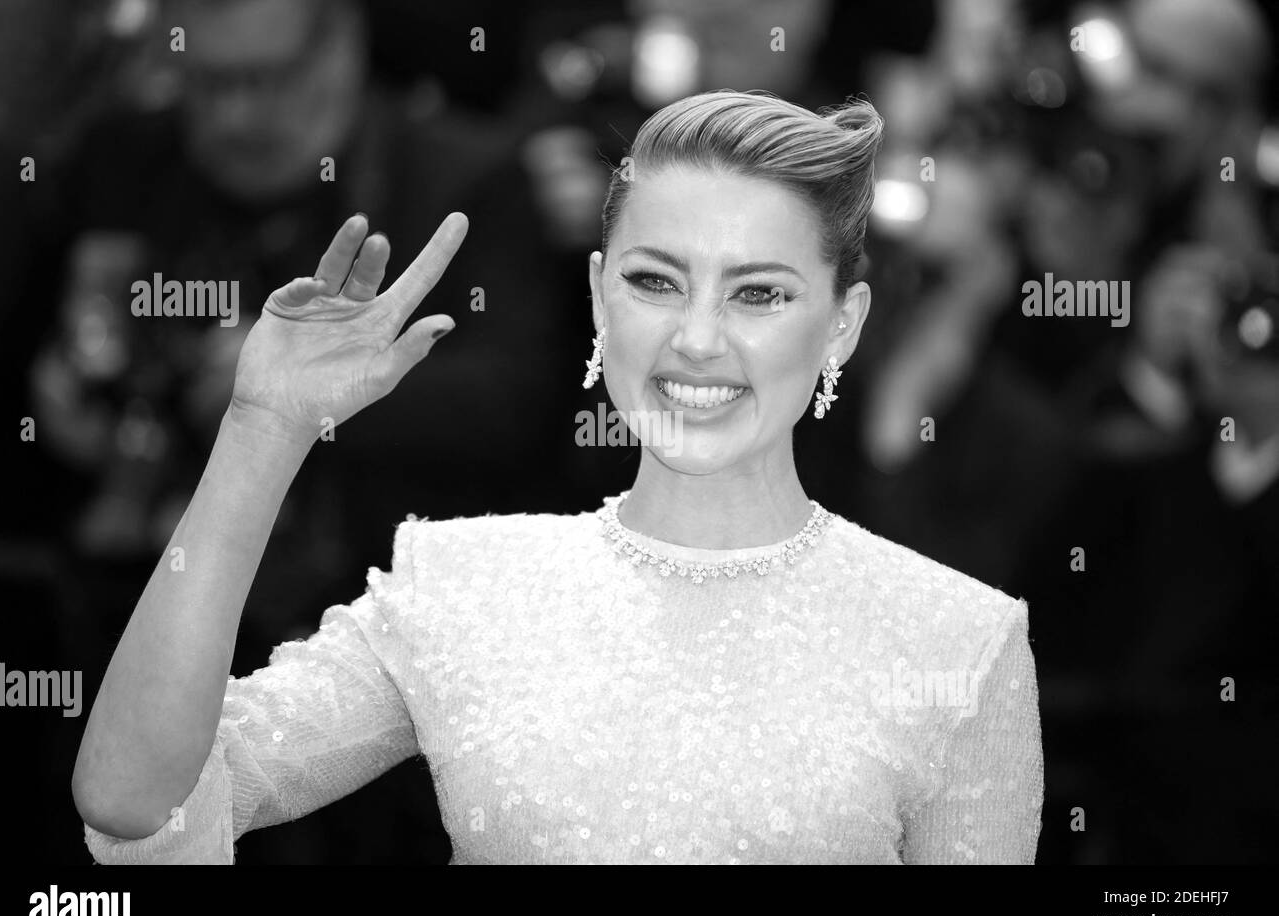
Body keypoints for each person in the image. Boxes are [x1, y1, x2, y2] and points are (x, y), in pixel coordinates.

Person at [72, 90, 1044, 864]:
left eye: (758, 293)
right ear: (596, 295)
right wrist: (262, 428)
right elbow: (137, 804)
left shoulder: (959, 642)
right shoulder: (460, 586)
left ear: (841, 321)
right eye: (655, 280)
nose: (696, 339)